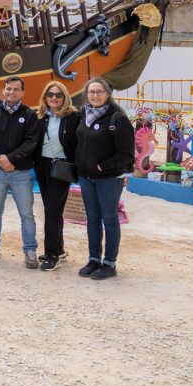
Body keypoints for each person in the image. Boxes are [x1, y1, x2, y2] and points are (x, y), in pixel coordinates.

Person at [74, 77, 135, 281]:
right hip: (86, 177)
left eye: (99, 92)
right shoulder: (84, 114)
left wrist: (102, 166)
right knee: (92, 219)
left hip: (108, 178)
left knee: (109, 219)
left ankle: (109, 263)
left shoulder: (117, 118)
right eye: (92, 92)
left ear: (108, 94)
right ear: (86, 94)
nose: (95, 95)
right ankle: (94, 259)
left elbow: (126, 153)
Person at [0, 76, 41, 269]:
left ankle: (30, 250)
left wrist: (11, 159)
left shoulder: (30, 115)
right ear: (3, 90)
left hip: (20, 173)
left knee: (27, 214)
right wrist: (0, 158)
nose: (11, 92)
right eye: (8, 89)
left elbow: (32, 141)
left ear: (22, 92)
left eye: (16, 89)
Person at [32, 81, 80, 271]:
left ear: (65, 97)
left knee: (51, 211)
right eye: (50, 94)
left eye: (58, 95)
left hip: (61, 167)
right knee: (53, 210)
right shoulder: (40, 117)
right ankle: (58, 249)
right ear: (45, 97)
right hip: (42, 166)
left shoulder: (73, 117)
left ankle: (51, 255)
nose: (54, 98)